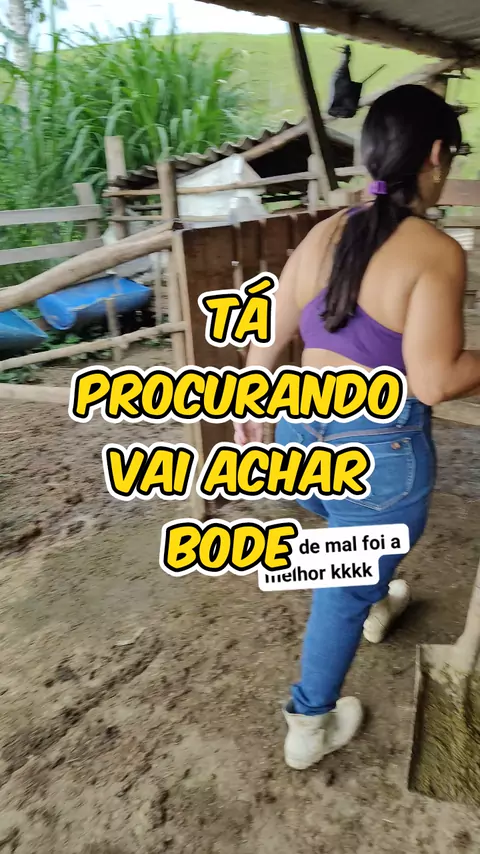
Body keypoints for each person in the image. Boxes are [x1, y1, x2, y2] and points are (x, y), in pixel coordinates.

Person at [234, 84, 480, 771]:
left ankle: (376, 596)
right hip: (377, 453)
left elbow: (267, 336)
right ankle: (309, 722)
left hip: (298, 437)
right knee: (342, 585)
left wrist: (250, 404)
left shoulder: (323, 233)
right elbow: (433, 380)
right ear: (436, 155)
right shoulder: (436, 250)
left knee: (354, 543)